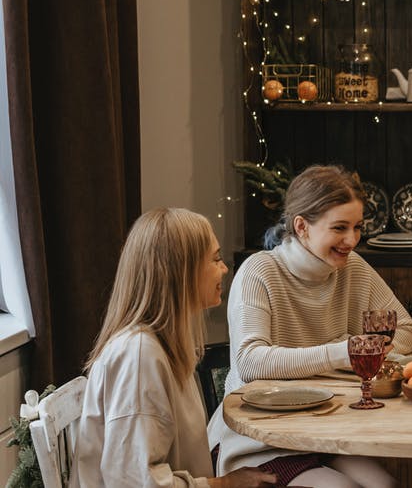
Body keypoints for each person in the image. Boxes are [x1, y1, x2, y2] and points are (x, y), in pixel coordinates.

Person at [208, 165, 412, 487]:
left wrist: (350, 348)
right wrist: (343, 351)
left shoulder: (352, 268)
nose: (351, 240)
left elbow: (406, 331)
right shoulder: (259, 272)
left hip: (326, 427)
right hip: (261, 437)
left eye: (357, 227)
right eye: (339, 228)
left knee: (384, 485)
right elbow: (250, 362)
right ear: (302, 226)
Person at [76, 208, 276, 487]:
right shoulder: (139, 355)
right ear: (182, 271)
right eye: (215, 258)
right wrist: (224, 484)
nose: (224, 269)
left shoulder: (161, 347)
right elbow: (134, 481)